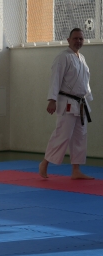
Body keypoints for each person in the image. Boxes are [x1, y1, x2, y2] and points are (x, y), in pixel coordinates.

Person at [40, 28, 94, 180]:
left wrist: (88, 97)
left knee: (80, 137)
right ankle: (45, 163)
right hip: (67, 103)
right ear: (68, 40)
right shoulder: (63, 57)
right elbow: (55, 78)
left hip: (81, 103)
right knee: (62, 135)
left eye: (81, 39)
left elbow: (85, 82)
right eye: (75, 38)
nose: (78, 41)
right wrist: (52, 100)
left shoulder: (82, 58)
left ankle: (76, 170)